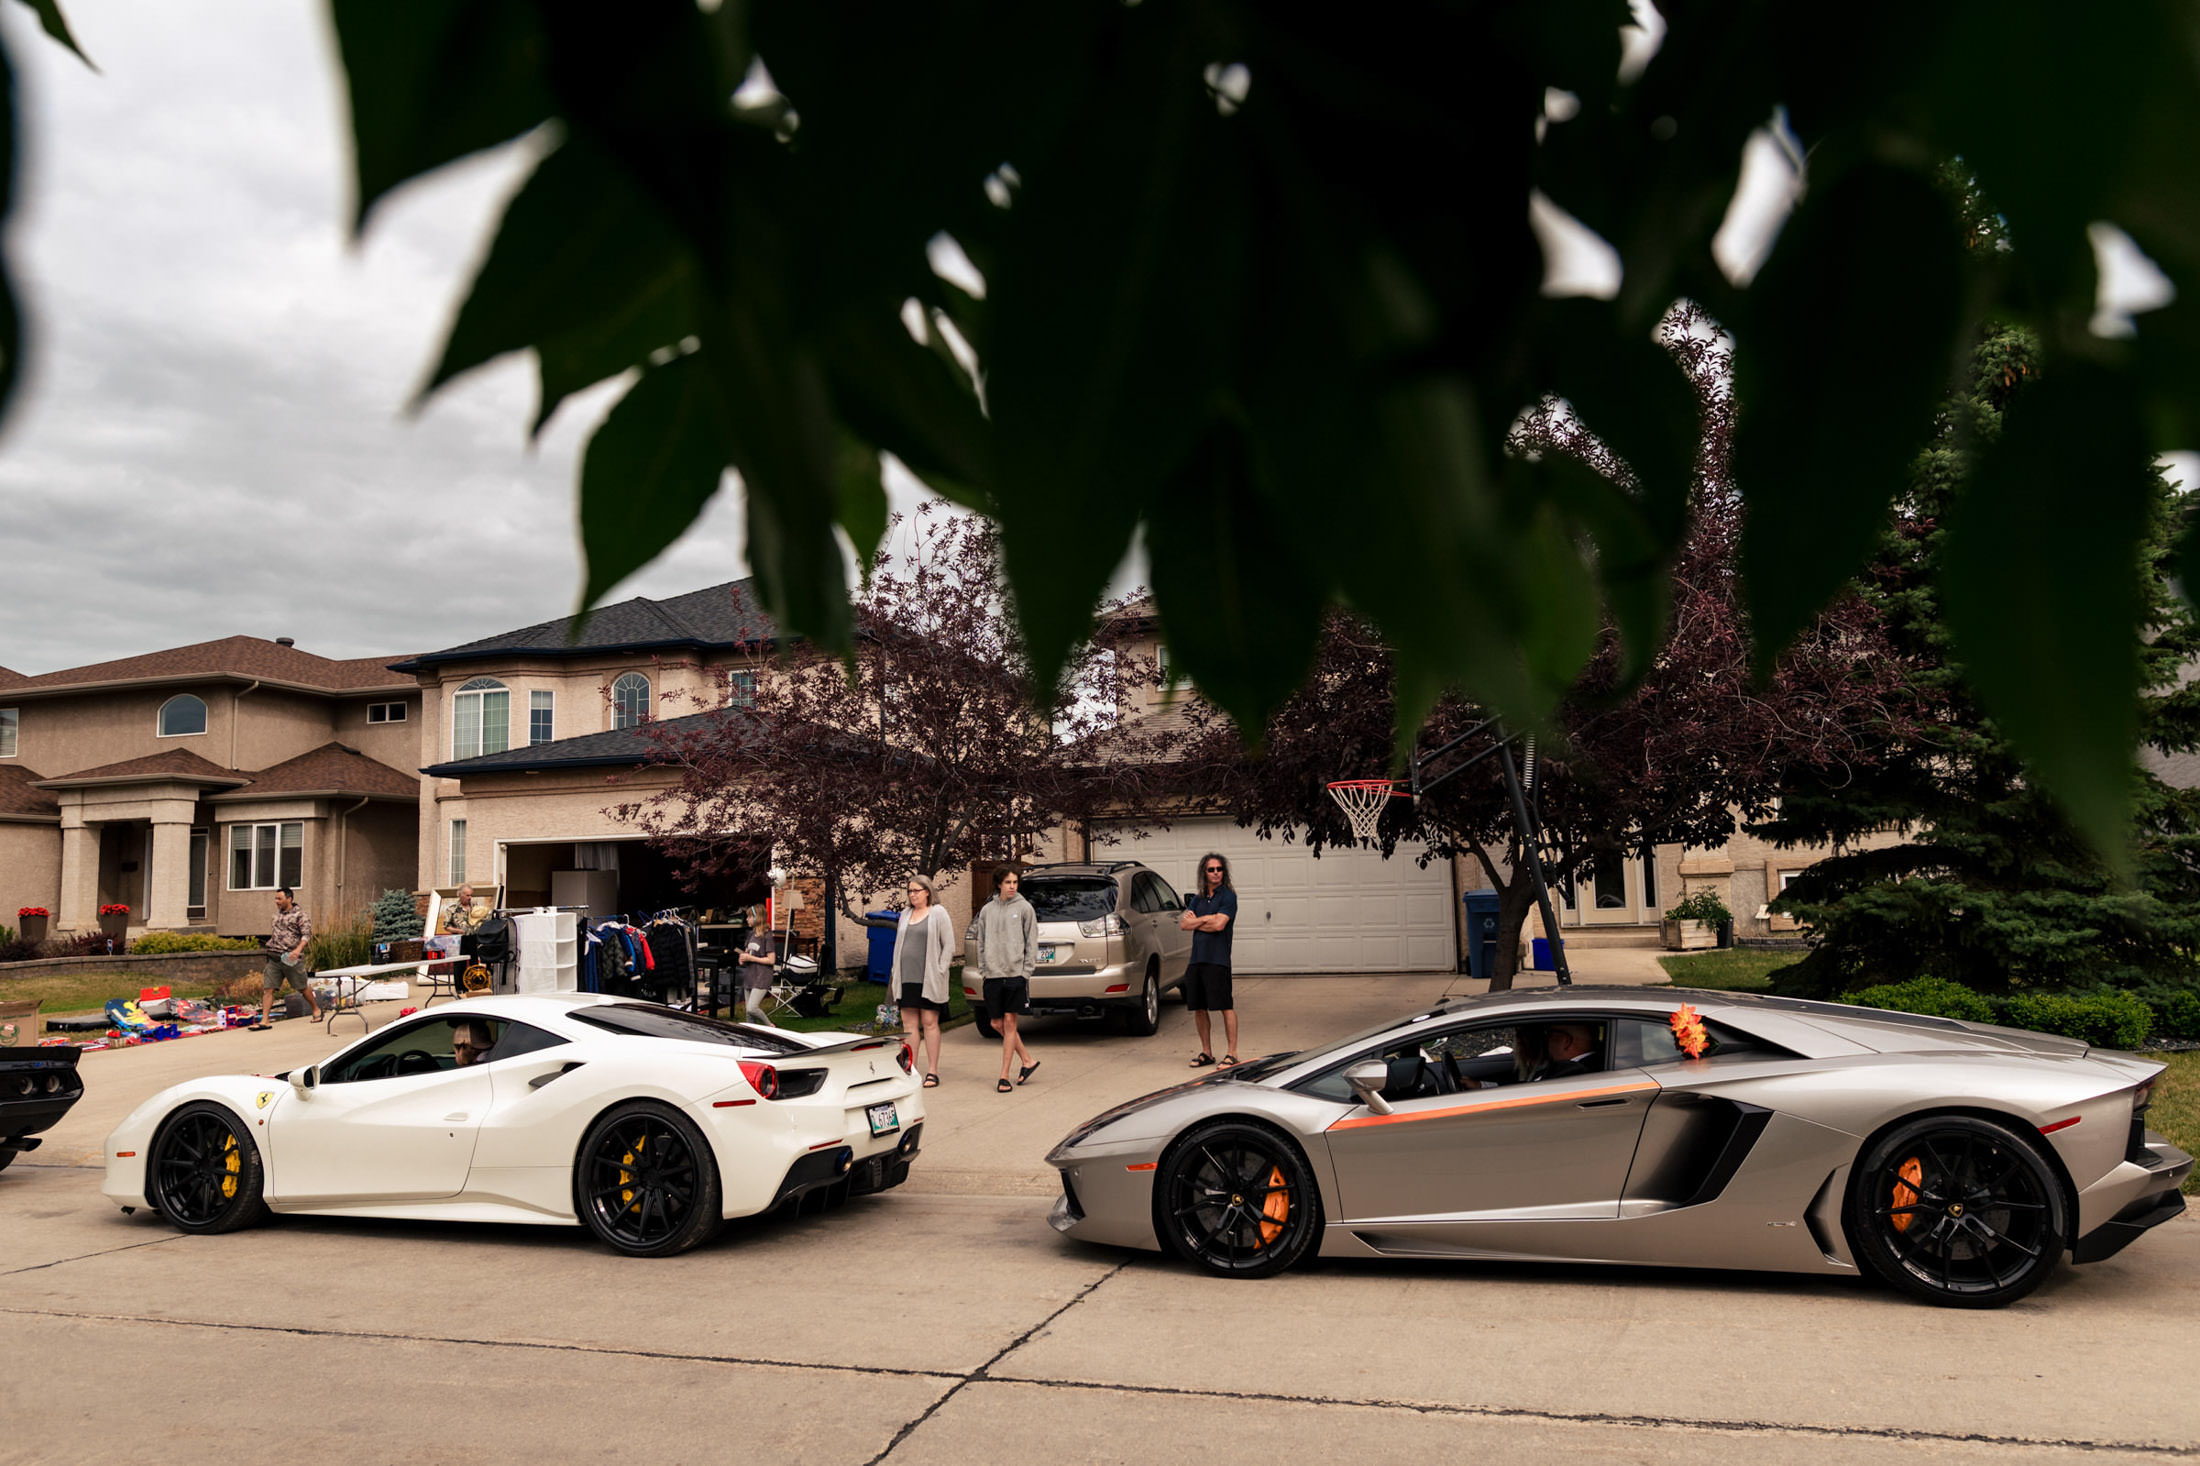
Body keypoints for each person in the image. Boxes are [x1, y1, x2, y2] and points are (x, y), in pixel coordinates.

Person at [974, 868, 1039, 1094]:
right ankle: (1028, 1060)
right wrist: (983, 969)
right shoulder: (987, 911)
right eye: (1008, 882)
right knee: (995, 1024)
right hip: (992, 974)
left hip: (1015, 975)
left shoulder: (1024, 908)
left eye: (1015, 882)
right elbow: (980, 942)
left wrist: (1025, 973)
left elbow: (1032, 943)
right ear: (999, 884)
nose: (1012, 886)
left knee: (1010, 1023)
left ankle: (1003, 1076)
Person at [888, 874, 954, 1088]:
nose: (912, 895)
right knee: (909, 1025)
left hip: (929, 979)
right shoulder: (905, 914)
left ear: (927, 891)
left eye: (916, 890)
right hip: (907, 977)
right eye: (910, 891)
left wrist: (940, 970)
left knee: (929, 1023)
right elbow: (899, 945)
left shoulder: (938, 913)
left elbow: (949, 946)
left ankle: (933, 1071)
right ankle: (912, 1069)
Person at [1178, 852, 1240, 1067]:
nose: (1216, 873)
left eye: (1219, 869)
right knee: (1199, 1008)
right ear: (1204, 873)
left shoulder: (1228, 897)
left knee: (1225, 1006)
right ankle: (1207, 1052)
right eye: (1211, 869)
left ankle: (1232, 1053)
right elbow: (1184, 925)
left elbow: (1219, 925)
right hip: (1197, 960)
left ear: (1224, 872)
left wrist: (1200, 920)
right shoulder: (1198, 898)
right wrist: (1207, 919)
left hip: (1218, 960)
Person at [251, 886, 320, 1030]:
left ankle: (316, 1009)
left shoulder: (300, 915)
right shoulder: (276, 916)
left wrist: (298, 950)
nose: (276, 901)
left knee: (302, 987)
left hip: (291, 958)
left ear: (289, 899)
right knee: (268, 989)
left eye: (279, 898)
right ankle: (265, 1021)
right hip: (274, 957)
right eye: (275, 898)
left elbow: (306, 935)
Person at [1516, 1022, 1602, 1083]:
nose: (1546, 1042)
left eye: (1549, 1035)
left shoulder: (1572, 1071)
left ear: (1566, 1041)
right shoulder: (1597, 1066)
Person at [737, 904, 778, 1024]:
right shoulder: (750, 935)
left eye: (749, 917)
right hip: (750, 976)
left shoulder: (767, 937)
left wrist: (751, 958)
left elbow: (771, 960)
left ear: (757, 918)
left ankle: (770, 1026)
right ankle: (750, 1039)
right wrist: (742, 958)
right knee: (749, 1015)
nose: (747, 919)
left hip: (762, 977)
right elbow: (747, 954)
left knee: (752, 1008)